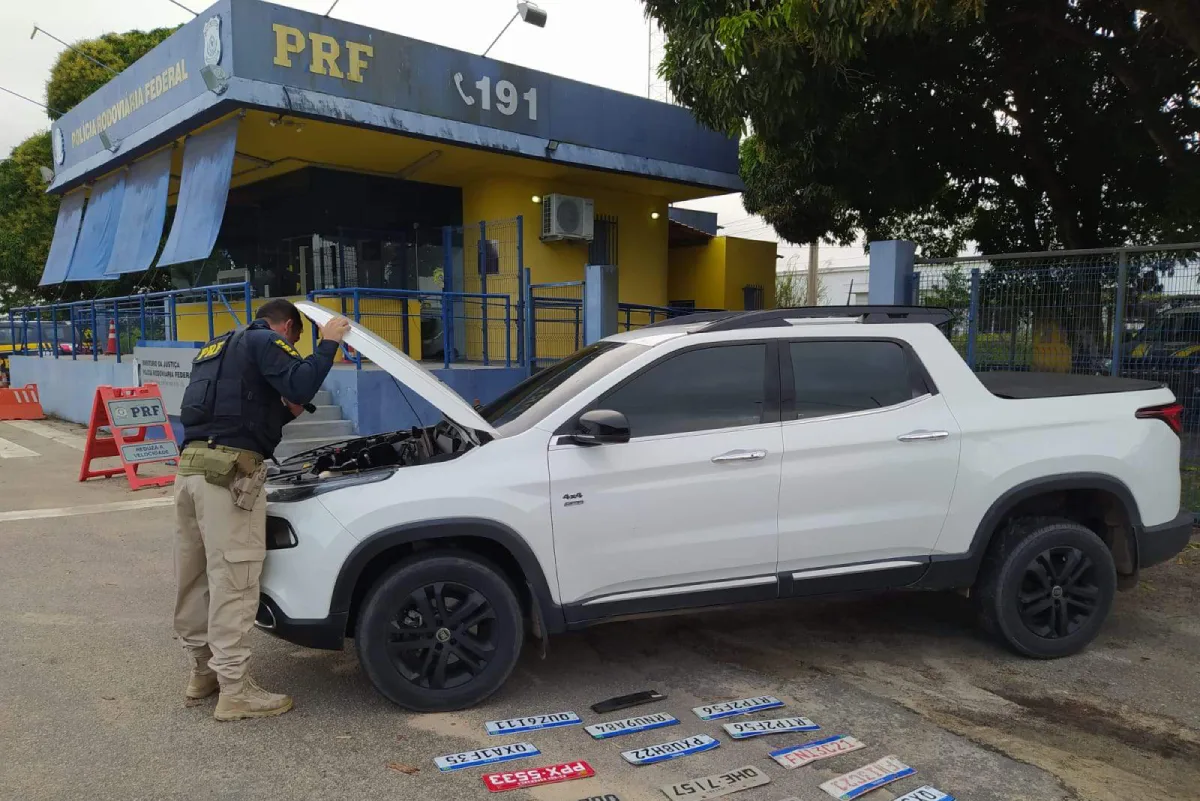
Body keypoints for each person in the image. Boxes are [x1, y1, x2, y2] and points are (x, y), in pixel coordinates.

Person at [173, 298, 350, 721]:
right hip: (230, 477)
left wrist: (281, 410)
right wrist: (328, 343)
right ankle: (235, 692)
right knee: (234, 578)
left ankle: (204, 675)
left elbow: (238, 412)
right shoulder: (268, 339)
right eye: (295, 338)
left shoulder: (217, 347)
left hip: (191, 471)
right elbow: (301, 383)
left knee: (195, 578)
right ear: (288, 327)